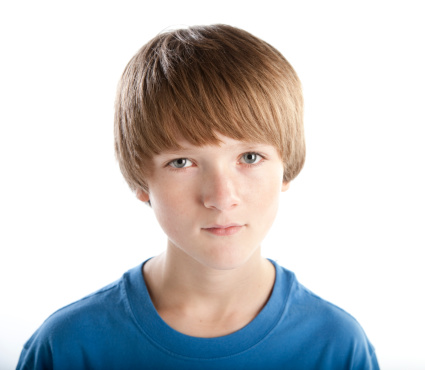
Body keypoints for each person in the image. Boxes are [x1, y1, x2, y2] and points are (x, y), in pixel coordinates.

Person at [17, 24, 379, 369]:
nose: (222, 198)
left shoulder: (336, 347)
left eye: (249, 157)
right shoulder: (68, 348)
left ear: (288, 165)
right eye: (182, 162)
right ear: (141, 179)